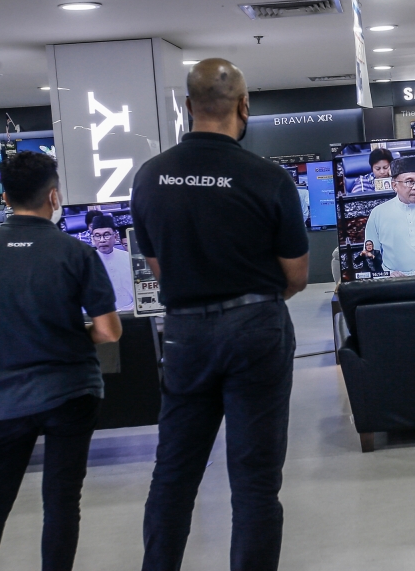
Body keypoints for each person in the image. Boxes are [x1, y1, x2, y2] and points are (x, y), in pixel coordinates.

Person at [131, 58, 310, 571]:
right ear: (245, 105)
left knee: (173, 473)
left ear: (187, 107)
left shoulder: (150, 177)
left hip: (185, 331)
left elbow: (158, 268)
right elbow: (296, 274)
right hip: (257, 328)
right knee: (254, 481)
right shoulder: (268, 178)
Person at [0, 151, 122, 571]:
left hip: (3, 399)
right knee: (61, 500)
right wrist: (69, 333)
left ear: (3, 193)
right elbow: (109, 331)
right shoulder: (74, 253)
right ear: (53, 197)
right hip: (70, 392)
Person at [90, 214, 135, 312]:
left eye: (106, 235)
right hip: (103, 315)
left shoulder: (128, 258)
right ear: (93, 238)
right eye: (97, 236)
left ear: (116, 236)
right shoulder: (87, 262)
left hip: (131, 312)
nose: (102, 240)